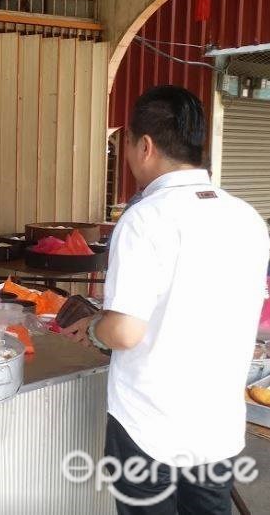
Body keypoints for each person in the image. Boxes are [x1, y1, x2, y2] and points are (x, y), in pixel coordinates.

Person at [62, 85, 269, 514]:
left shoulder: (146, 218)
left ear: (146, 145)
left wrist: (97, 328)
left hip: (149, 427)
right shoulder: (247, 218)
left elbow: (125, 330)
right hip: (216, 427)